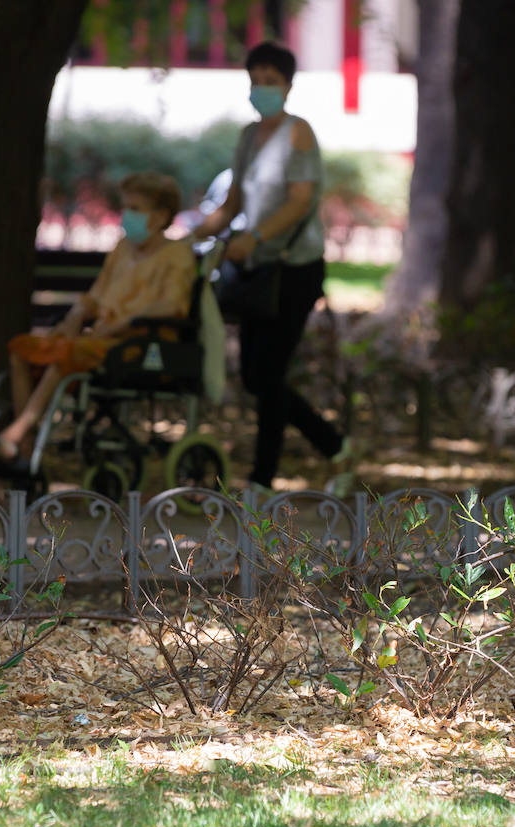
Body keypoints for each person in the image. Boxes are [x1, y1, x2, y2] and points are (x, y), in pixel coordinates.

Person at [191, 40, 353, 494]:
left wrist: (256, 236)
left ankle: (263, 478)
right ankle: (333, 446)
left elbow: (300, 202)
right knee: (256, 376)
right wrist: (188, 236)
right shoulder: (248, 136)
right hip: (255, 271)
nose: (262, 90)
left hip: (293, 271)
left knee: (268, 374)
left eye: (271, 82)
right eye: (255, 81)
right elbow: (232, 203)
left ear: (288, 85)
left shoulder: (298, 133)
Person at [0, 171, 196, 459]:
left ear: (162, 216)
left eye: (136, 209)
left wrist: (119, 325)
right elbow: (95, 296)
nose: (127, 215)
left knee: (66, 354)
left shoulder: (177, 255)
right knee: (22, 350)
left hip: (138, 345)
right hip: (97, 340)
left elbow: (172, 305)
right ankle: (25, 445)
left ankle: (22, 429)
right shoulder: (122, 250)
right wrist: (75, 316)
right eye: (125, 207)